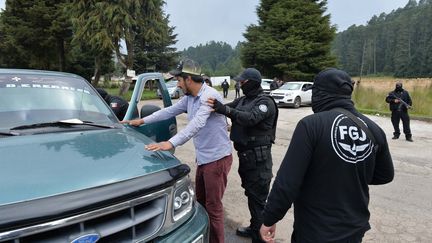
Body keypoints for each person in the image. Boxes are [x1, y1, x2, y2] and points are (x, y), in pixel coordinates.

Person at [259, 68, 394, 243]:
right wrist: (351, 173)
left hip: (315, 230)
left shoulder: (311, 125)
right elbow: (385, 175)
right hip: (354, 229)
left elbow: (287, 183)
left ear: (320, 93)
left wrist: (270, 218)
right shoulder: (373, 128)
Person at [122, 59, 233, 243]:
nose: (178, 84)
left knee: (213, 208)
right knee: (202, 204)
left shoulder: (209, 96)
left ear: (188, 79)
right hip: (205, 158)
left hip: (217, 159)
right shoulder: (190, 98)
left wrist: (171, 143)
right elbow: (168, 111)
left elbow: (196, 124)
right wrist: (141, 121)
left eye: (179, 80)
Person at [208, 68, 278, 243]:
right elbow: (228, 106)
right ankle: (255, 227)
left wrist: (225, 110)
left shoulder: (265, 102)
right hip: (247, 157)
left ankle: (260, 236)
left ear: (252, 82)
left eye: (242, 82)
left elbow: (250, 118)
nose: (239, 84)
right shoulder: (245, 99)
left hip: (259, 159)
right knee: (251, 195)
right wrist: (209, 104)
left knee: (258, 200)